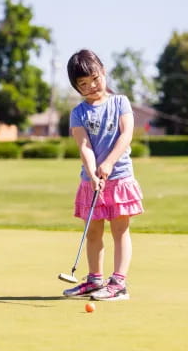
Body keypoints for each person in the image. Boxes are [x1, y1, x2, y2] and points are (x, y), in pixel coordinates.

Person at [63, 49, 144, 301]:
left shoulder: (121, 102)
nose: (91, 87)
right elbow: (84, 146)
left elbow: (126, 135)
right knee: (94, 232)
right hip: (92, 181)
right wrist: (92, 172)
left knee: (120, 230)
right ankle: (95, 280)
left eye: (95, 79)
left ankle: (118, 283)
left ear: (103, 72)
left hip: (119, 177)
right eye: (83, 84)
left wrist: (108, 163)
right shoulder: (78, 113)